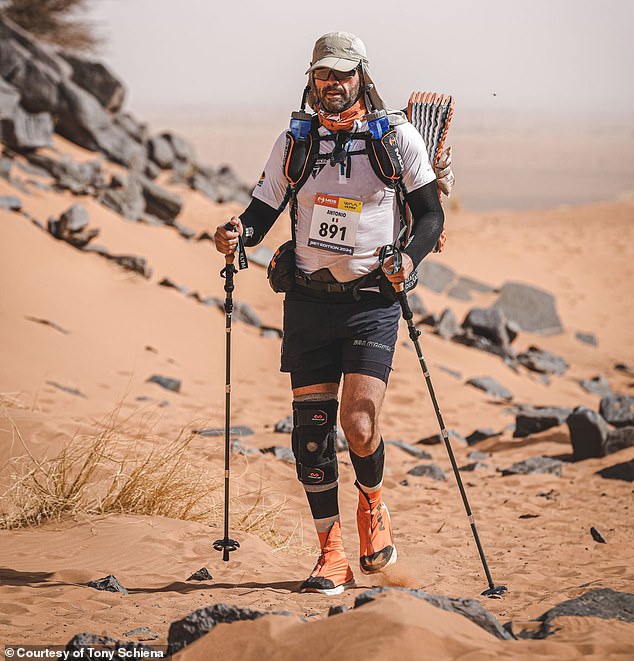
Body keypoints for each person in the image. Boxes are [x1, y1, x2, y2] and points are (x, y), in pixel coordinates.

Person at [214, 31, 447, 595]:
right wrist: (236, 234)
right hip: (309, 301)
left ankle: (373, 506)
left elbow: (431, 215)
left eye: (343, 75)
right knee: (311, 435)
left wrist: (408, 261)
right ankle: (332, 553)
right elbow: (263, 208)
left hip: (372, 300)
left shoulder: (395, 138)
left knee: (359, 423)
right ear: (311, 79)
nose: (332, 84)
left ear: (361, 76)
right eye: (323, 74)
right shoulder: (294, 142)